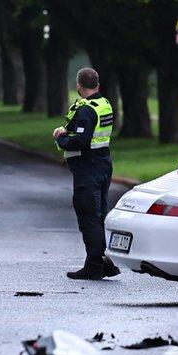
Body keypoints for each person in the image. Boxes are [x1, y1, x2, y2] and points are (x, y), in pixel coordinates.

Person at [53, 67, 117, 280]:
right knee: (98, 215)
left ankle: (94, 265)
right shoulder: (105, 104)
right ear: (98, 85)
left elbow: (80, 140)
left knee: (89, 216)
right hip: (103, 166)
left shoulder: (87, 111)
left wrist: (61, 137)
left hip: (88, 170)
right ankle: (101, 261)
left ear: (79, 86)